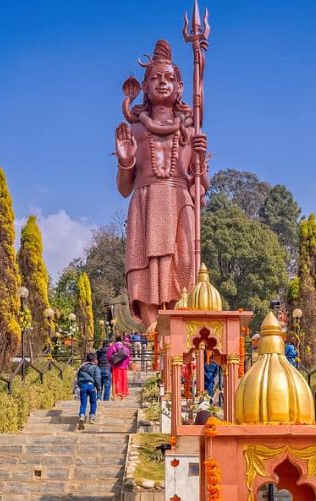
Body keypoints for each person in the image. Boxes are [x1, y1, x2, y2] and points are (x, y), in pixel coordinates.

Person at [115, 39, 209, 328]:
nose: (163, 83)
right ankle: (153, 328)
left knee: (182, 265)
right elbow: (123, 188)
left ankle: (178, 326)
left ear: (180, 87)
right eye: (155, 78)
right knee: (145, 267)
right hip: (145, 200)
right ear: (144, 86)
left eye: (169, 78)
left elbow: (202, 187)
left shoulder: (191, 131)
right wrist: (126, 161)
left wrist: (200, 158)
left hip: (180, 201)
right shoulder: (134, 130)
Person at [75, 353, 101, 427]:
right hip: (91, 386)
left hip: (83, 386)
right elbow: (97, 379)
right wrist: (98, 388)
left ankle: (82, 416)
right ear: (94, 360)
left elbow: (77, 378)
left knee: (83, 403)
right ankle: (92, 416)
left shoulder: (81, 367)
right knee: (93, 402)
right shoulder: (95, 368)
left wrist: (79, 386)